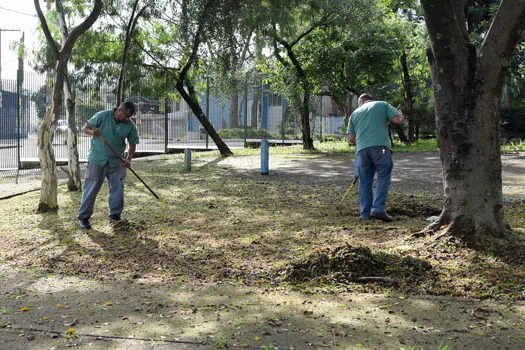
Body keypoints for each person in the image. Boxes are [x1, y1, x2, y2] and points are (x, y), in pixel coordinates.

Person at [77, 102, 139, 229]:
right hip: (97, 159)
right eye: (126, 116)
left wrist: (128, 159)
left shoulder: (130, 125)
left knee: (118, 189)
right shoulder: (103, 116)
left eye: (130, 117)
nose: (127, 119)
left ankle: (115, 217)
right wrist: (93, 133)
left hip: (117, 161)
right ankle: (84, 217)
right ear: (120, 110)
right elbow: (84, 129)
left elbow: (133, 144)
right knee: (91, 188)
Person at [347, 94, 403, 221]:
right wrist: (399, 113)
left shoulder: (355, 113)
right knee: (383, 175)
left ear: (361, 101)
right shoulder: (382, 104)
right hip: (380, 147)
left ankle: (365, 214)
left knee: (365, 181)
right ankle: (378, 209)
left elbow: (351, 139)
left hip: (362, 150)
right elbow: (398, 120)